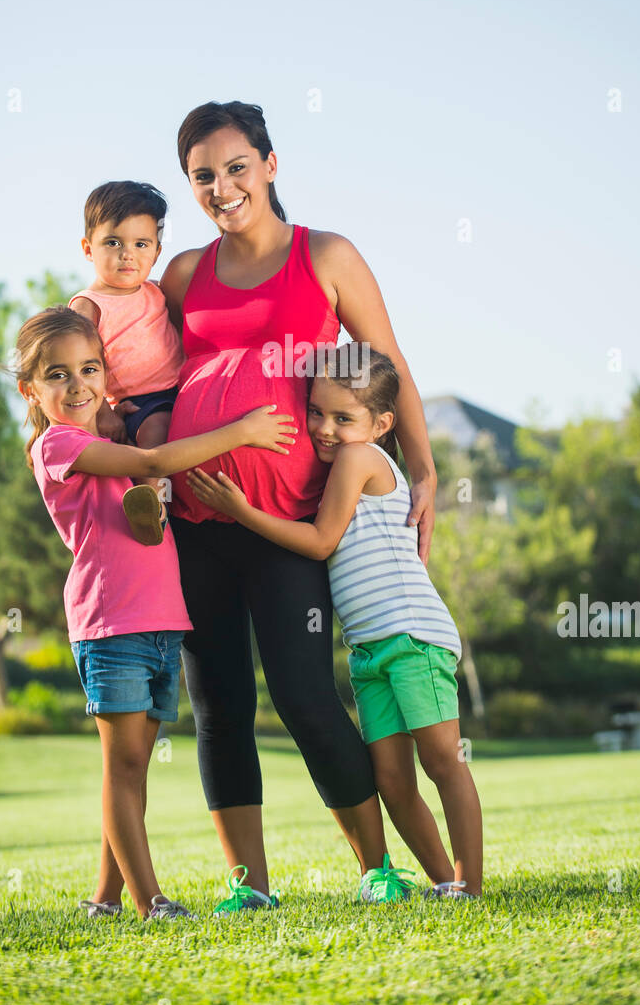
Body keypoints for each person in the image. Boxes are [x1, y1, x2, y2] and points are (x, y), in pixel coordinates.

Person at [158, 100, 440, 910]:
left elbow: (392, 368)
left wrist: (422, 471)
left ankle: (376, 870)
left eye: (236, 167)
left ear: (270, 166)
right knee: (218, 705)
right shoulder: (183, 275)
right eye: (203, 176)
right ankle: (249, 887)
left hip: (292, 525)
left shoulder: (326, 257)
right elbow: (142, 365)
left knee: (306, 693)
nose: (222, 186)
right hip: (197, 523)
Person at [0, 305, 296, 922]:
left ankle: (104, 897)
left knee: (133, 769)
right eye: (56, 375)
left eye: (89, 369)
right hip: (111, 622)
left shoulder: (101, 435)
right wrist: (241, 432)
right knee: (123, 766)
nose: (75, 386)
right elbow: (155, 464)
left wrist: (120, 415)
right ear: (30, 390)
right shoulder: (58, 445)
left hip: (160, 621)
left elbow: (135, 444)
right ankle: (150, 901)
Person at [187, 346, 483, 898]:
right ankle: (445, 883)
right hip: (370, 651)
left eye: (343, 418)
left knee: (443, 762)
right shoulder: (342, 461)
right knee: (392, 782)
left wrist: (242, 511)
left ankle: (470, 885)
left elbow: (321, 542)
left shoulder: (359, 459)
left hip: (413, 637)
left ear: (381, 424)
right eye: (316, 412)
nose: (324, 428)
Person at [69, 180, 185, 547]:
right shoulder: (88, 305)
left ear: (157, 251)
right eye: (113, 243)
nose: (127, 255)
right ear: (88, 248)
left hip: (182, 388)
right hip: (143, 402)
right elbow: (81, 368)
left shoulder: (155, 290)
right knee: (154, 437)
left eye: (141, 244)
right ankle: (153, 510)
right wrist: (103, 411)